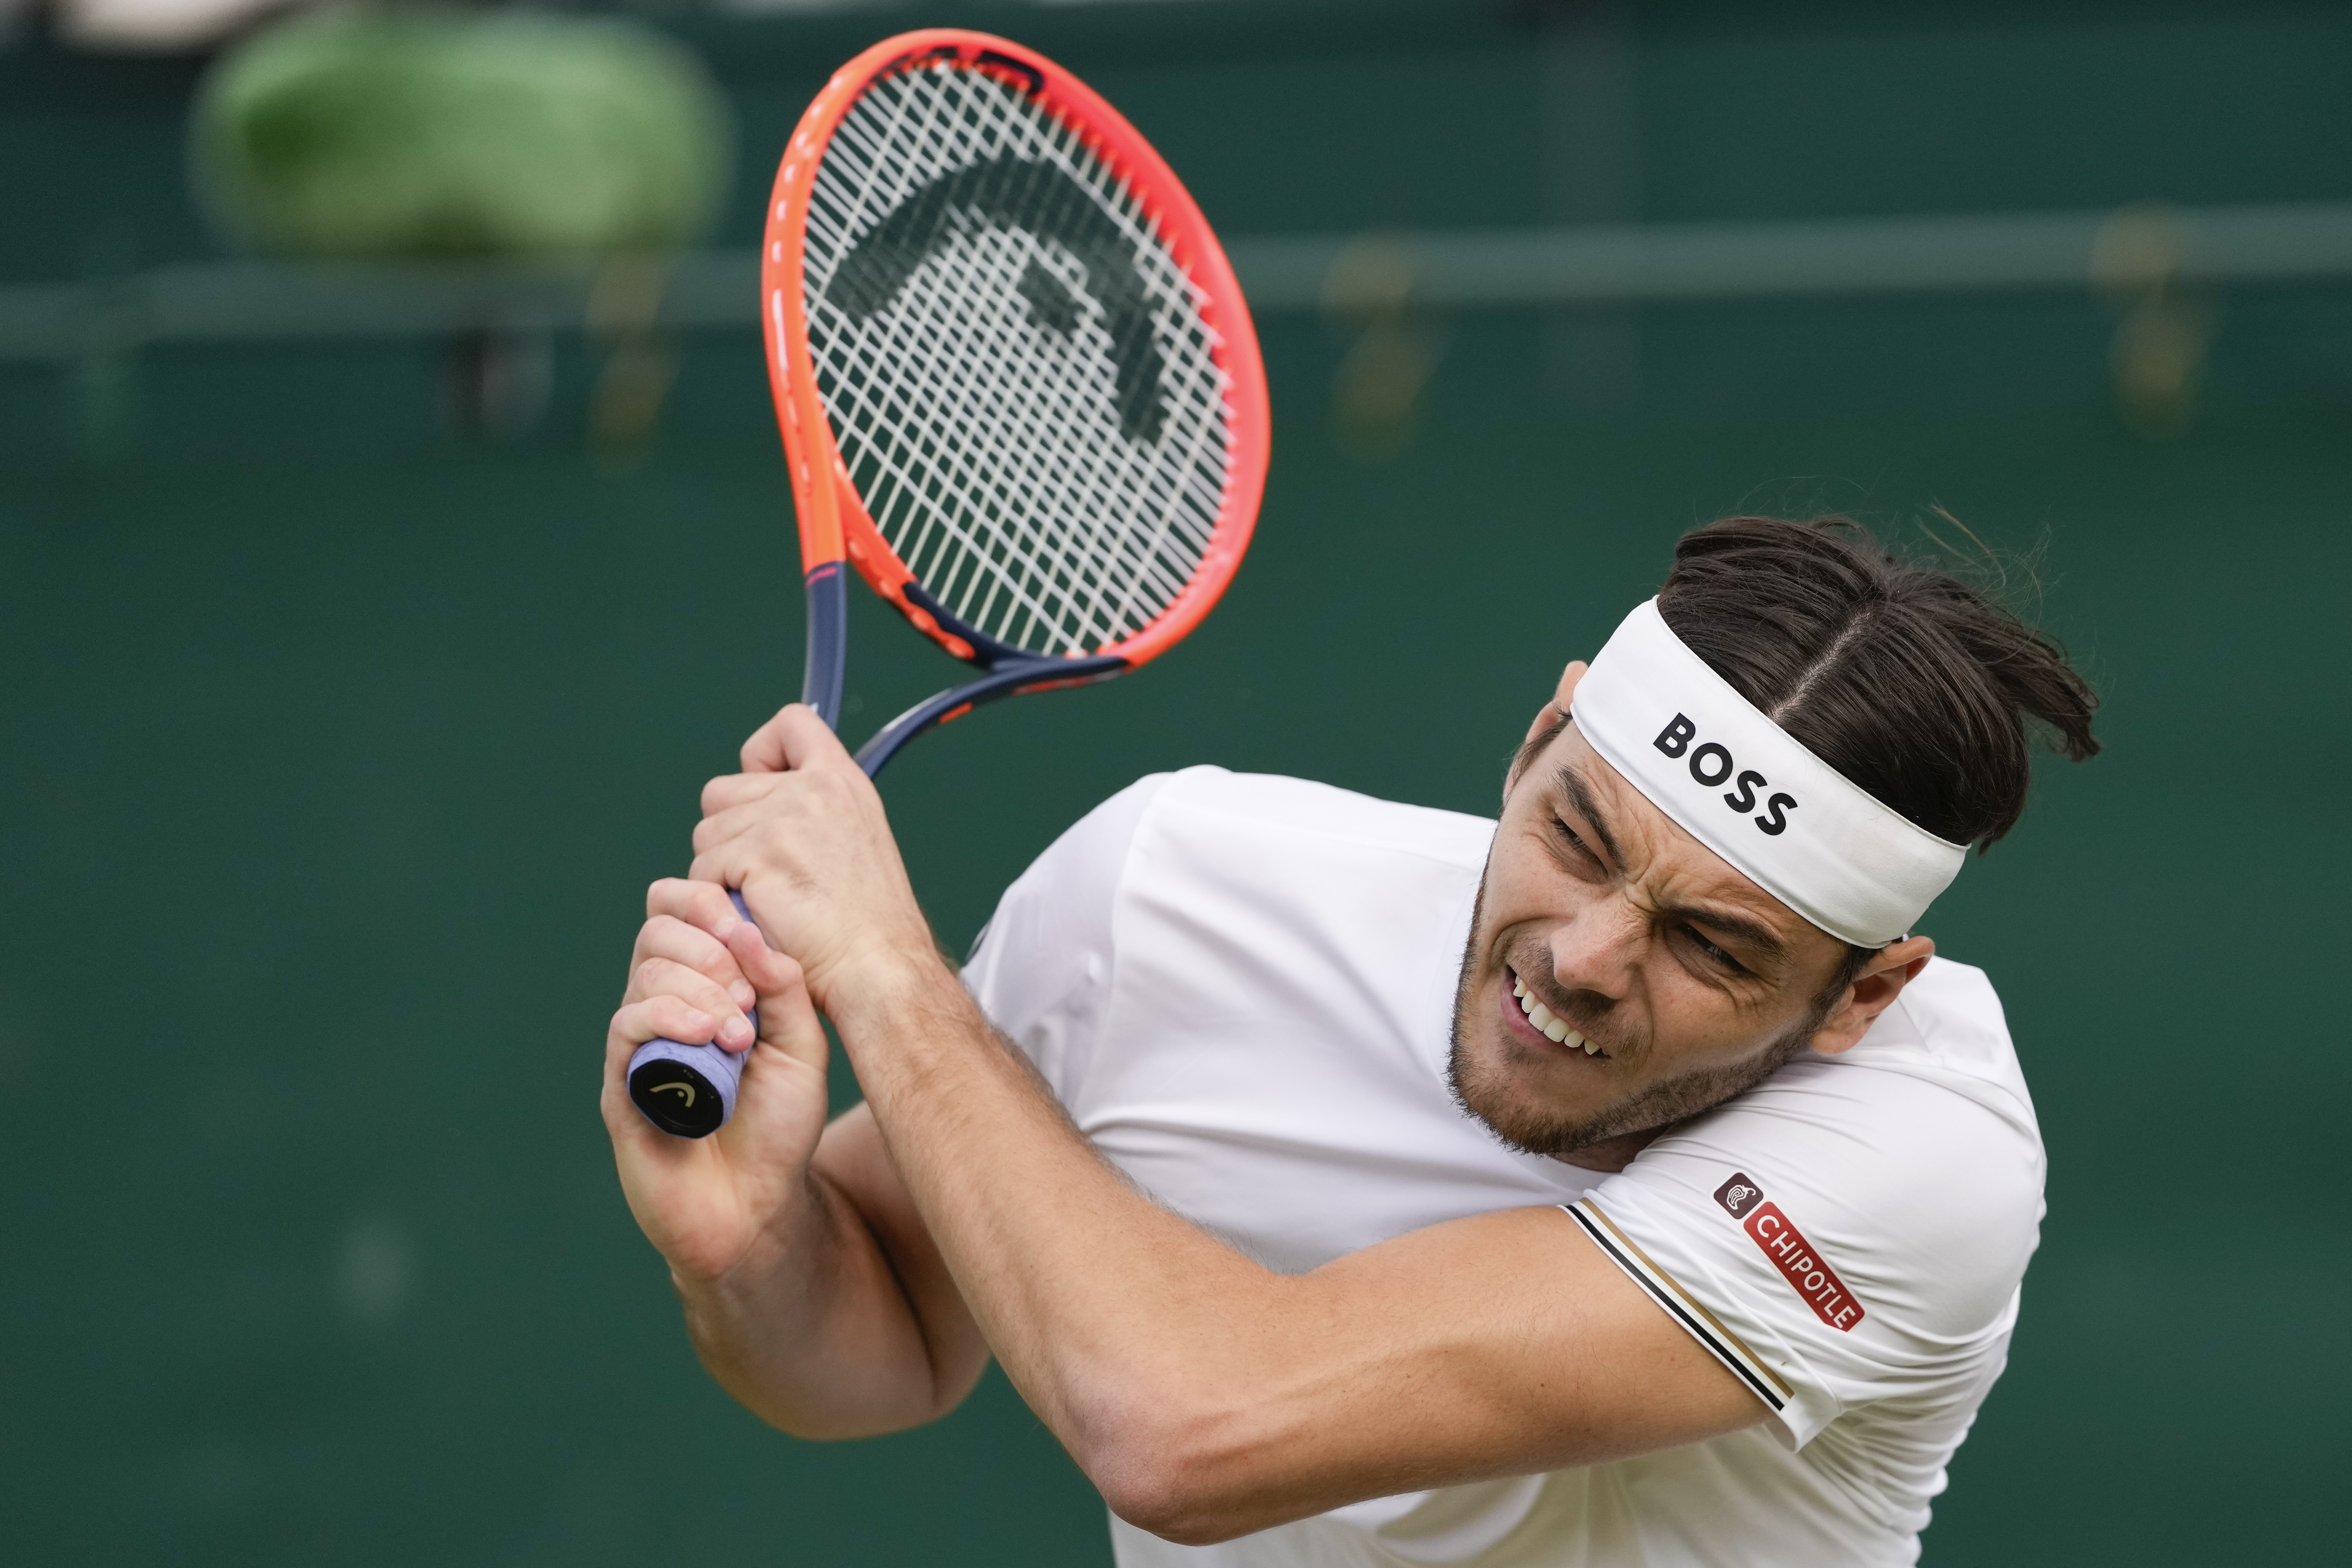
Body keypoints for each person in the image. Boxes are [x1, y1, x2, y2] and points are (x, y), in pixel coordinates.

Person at [602, 515, 2099, 1566]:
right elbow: (894, 1337)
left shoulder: (1923, 1150)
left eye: (1711, 944)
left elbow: (1184, 1429)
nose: (1582, 958)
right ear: (1534, 741)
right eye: (1575, 835)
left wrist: (886, 974)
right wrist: (744, 1244)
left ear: (1860, 993)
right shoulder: (1170, 887)